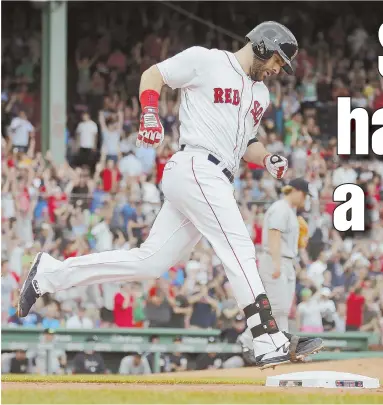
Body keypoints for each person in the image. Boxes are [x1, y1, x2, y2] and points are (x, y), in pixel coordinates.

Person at [17, 21, 322, 369]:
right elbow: (153, 74)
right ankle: (268, 338)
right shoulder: (207, 61)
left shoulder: (261, 95)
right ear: (263, 46)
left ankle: (50, 274)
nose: (277, 69)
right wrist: (149, 114)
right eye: (278, 60)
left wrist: (266, 157)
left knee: (151, 262)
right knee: (239, 247)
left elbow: (247, 144)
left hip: (216, 176)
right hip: (196, 165)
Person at [239, 178, 310, 363]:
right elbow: (274, 234)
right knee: (276, 307)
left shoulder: (290, 211)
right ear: (295, 191)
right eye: (303, 194)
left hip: (285, 260)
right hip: (274, 259)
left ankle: (282, 348)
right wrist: (277, 263)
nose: (304, 199)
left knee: (281, 309)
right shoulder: (280, 208)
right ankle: (248, 340)